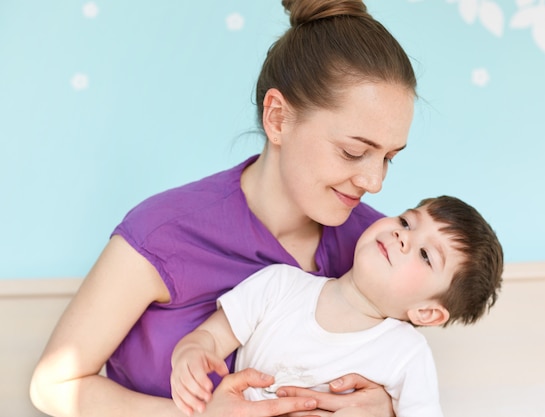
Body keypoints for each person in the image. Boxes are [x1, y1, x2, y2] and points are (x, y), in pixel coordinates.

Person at [29, 0, 419, 416]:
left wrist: (387, 404)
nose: (374, 182)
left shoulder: (379, 250)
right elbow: (55, 385)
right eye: (352, 151)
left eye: (388, 158)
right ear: (277, 118)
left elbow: (400, 370)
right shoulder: (164, 234)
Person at [170, 196, 504, 417]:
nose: (403, 237)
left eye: (425, 255)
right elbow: (211, 338)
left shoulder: (406, 354)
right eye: (406, 222)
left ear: (427, 313)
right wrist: (191, 353)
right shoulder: (279, 285)